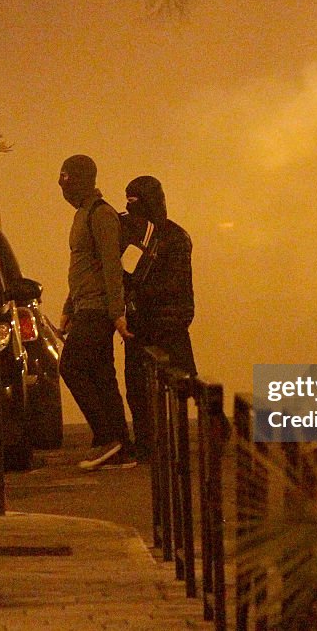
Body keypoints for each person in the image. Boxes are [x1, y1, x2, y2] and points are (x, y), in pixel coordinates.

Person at [58, 154, 136, 470]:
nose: (63, 187)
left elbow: (110, 266)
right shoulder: (82, 215)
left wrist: (117, 313)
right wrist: (68, 307)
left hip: (97, 309)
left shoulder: (102, 215)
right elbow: (82, 267)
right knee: (103, 375)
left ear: (83, 181)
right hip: (83, 307)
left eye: (67, 180)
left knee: (72, 367)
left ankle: (108, 438)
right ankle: (122, 449)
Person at [119, 175, 196, 462]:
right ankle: (148, 443)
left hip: (167, 321)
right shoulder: (146, 234)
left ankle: (205, 431)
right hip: (148, 320)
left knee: (183, 381)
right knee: (140, 386)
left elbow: (155, 280)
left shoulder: (172, 237)